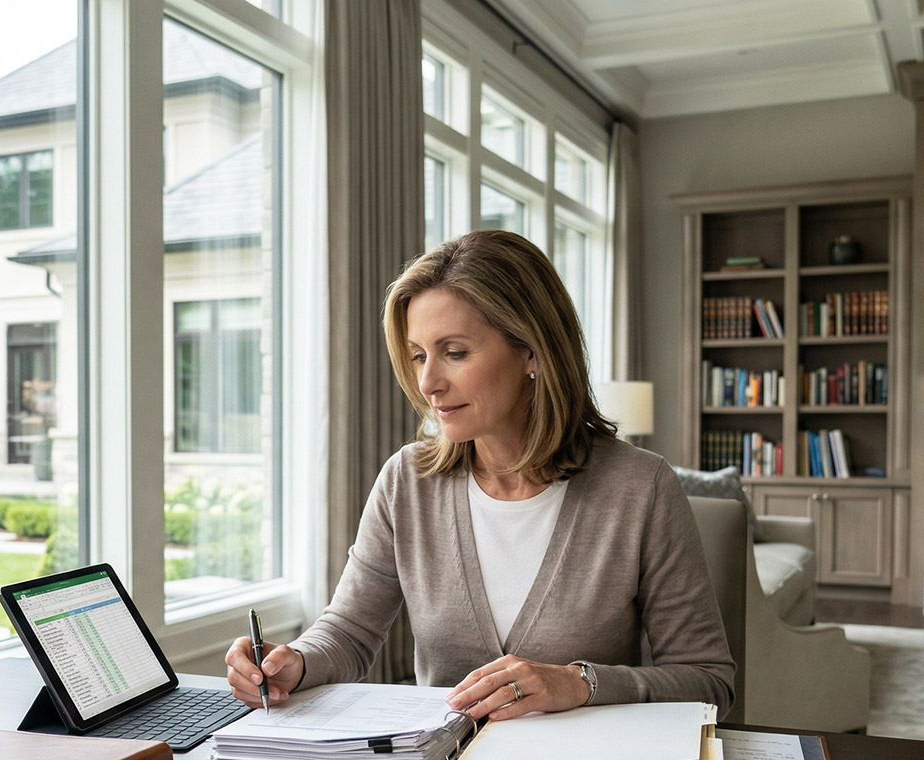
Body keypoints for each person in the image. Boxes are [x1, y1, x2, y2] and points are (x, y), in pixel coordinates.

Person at [225, 229, 734, 721]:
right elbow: (350, 632)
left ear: (532, 351)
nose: (428, 382)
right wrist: (296, 661)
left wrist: (580, 683)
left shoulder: (641, 489)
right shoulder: (407, 481)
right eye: (419, 355)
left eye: (455, 352)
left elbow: (710, 681)